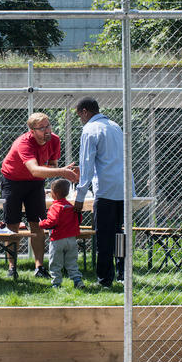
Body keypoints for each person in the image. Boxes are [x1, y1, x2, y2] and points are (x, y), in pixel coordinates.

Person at [0, 112, 79, 279]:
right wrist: (61, 172)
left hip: (36, 182)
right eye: (41, 128)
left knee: (38, 223)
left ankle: (40, 268)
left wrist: (62, 170)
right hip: (13, 180)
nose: (47, 130)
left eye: (48, 125)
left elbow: (52, 166)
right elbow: (35, 169)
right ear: (32, 131)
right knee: (13, 224)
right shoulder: (24, 143)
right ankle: (12, 267)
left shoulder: (54, 140)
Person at [73, 97, 128, 288]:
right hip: (122, 189)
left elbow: (87, 164)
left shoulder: (90, 129)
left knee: (104, 236)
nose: (80, 119)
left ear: (85, 112)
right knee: (119, 234)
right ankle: (123, 273)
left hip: (105, 190)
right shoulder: (115, 126)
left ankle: (105, 279)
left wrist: (80, 196)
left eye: (79, 115)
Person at [38, 178, 84, 289]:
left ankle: (56, 283)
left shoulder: (55, 207)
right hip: (71, 239)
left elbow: (52, 222)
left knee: (55, 263)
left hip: (57, 239)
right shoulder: (71, 207)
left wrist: (41, 223)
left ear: (55, 193)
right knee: (72, 262)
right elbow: (79, 219)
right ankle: (77, 280)